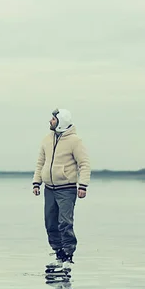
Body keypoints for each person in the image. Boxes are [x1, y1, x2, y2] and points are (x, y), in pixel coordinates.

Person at [32, 108, 91, 270]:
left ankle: (68, 256)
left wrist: (83, 186)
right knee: (50, 222)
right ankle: (58, 254)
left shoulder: (75, 141)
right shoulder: (46, 139)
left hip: (67, 188)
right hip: (49, 188)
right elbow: (40, 163)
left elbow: (84, 164)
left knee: (65, 222)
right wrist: (36, 182)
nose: (50, 121)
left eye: (53, 119)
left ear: (61, 121)